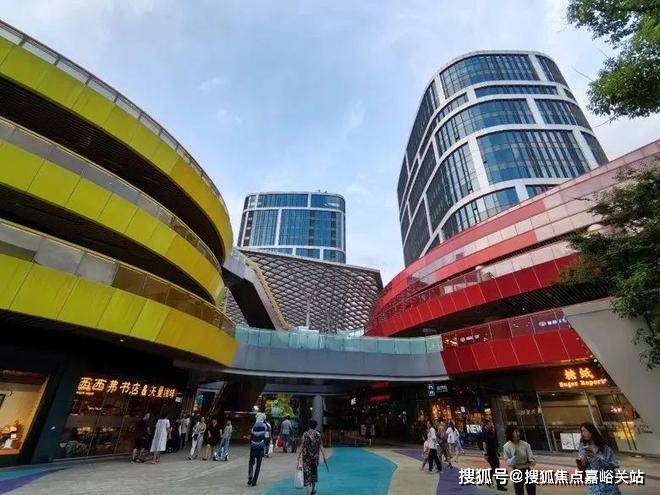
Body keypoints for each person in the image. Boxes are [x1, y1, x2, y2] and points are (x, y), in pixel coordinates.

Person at [578, 422, 621, 495]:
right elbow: (582, 467)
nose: (582, 433)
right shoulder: (583, 448)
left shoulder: (605, 448)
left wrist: (597, 458)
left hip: (609, 488)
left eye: (584, 431)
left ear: (591, 431)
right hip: (594, 489)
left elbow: (612, 466)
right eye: (581, 431)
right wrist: (584, 459)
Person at [297, 419, 327, 495]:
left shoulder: (305, 434)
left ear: (309, 425)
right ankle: (313, 490)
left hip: (306, 457)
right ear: (316, 426)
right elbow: (320, 446)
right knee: (314, 473)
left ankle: (308, 493)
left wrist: (298, 455)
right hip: (315, 457)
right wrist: (324, 456)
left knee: (307, 474)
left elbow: (302, 445)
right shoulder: (318, 434)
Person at [503, 426, 536, 495]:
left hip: (527, 470)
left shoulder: (525, 444)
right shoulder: (506, 446)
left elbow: (531, 458)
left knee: (531, 490)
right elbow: (507, 462)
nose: (518, 434)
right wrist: (514, 458)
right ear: (511, 434)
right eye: (516, 432)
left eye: (518, 432)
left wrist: (532, 461)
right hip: (516, 470)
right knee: (519, 492)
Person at [481, 419, 506, 491]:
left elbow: (495, 442)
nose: (491, 425)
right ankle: (499, 485)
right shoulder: (485, 433)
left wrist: (497, 451)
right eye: (489, 424)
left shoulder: (492, 431)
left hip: (494, 452)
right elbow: (484, 444)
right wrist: (486, 454)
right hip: (489, 454)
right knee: (496, 468)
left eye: (491, 423)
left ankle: (488, 478)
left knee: (496, 468)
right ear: (486, 425)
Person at [247, 413, 268, 487]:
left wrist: (252, 443)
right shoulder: (265, 426)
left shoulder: (254, 426)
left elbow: (251, 438)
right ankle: (254, 481)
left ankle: (250, 477)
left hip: (253, 447)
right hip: (260, 448)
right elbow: (266, 438)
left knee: (251, 463)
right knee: (258, 465)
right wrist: (266, 448)